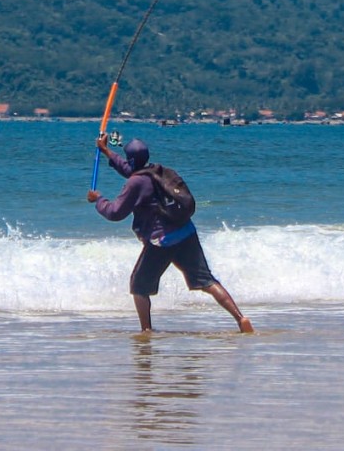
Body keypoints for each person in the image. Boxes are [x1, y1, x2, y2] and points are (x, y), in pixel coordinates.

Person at [88, 134, 253, 334]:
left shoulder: (136, 183)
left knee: (138, 286)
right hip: (186, 232)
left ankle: (146, 331)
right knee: (207, 281)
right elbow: (130, 170)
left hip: (162, 242)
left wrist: (98, 200)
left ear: (131, 160)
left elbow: (115, 212)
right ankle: (241, 318)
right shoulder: (160, 172)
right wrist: (107, 151)